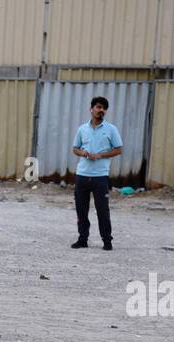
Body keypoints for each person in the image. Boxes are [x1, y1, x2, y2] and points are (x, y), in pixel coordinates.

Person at [70, 96, 123, 250]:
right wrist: (83, 153)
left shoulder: (111, 129)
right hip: (82, 175)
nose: (101, 110)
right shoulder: (82, 129)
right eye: (98, 107)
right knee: (81, 210)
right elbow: (75, 148)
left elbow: (119, 149)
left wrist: (100, 155)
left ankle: (107, 241)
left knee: (102, 211)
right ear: (91, 109)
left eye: (104, 108)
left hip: (100, 176)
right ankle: (82, 239)